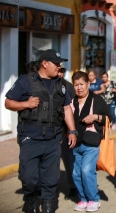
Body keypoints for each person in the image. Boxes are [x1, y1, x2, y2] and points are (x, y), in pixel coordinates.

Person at [4, 49, 77, 213]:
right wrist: (26, 105)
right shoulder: (26, 81)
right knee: (29, 177)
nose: (59, 67)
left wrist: (72, 130)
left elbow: (66, 108)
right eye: (56, 64)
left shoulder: (62, 85)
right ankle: (30, 197)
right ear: (44, 63)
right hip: (30, 137)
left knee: (51, 178)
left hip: (53, 138)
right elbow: (8, 103)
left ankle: (49, 205)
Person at [71, 71, 111, 212]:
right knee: (76, 173)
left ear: (88, 84)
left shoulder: (96, 99)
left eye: (82, 84)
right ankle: (83, 199)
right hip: (76, 142)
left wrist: (95, 117)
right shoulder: (72, 100)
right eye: (76, 85)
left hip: (91, 141)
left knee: (87, 170)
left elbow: (108, 117)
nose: (79, 87)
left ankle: (94, 199)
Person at [57, 67, 78, 200]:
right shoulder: (42, 84)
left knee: (69, 159)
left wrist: (72, 130)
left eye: (62, 70)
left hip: (65, 130)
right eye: (58, 70)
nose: (60, 73)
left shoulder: (67, 86)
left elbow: (73, 108)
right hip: (49, 131)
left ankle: (73, 187)